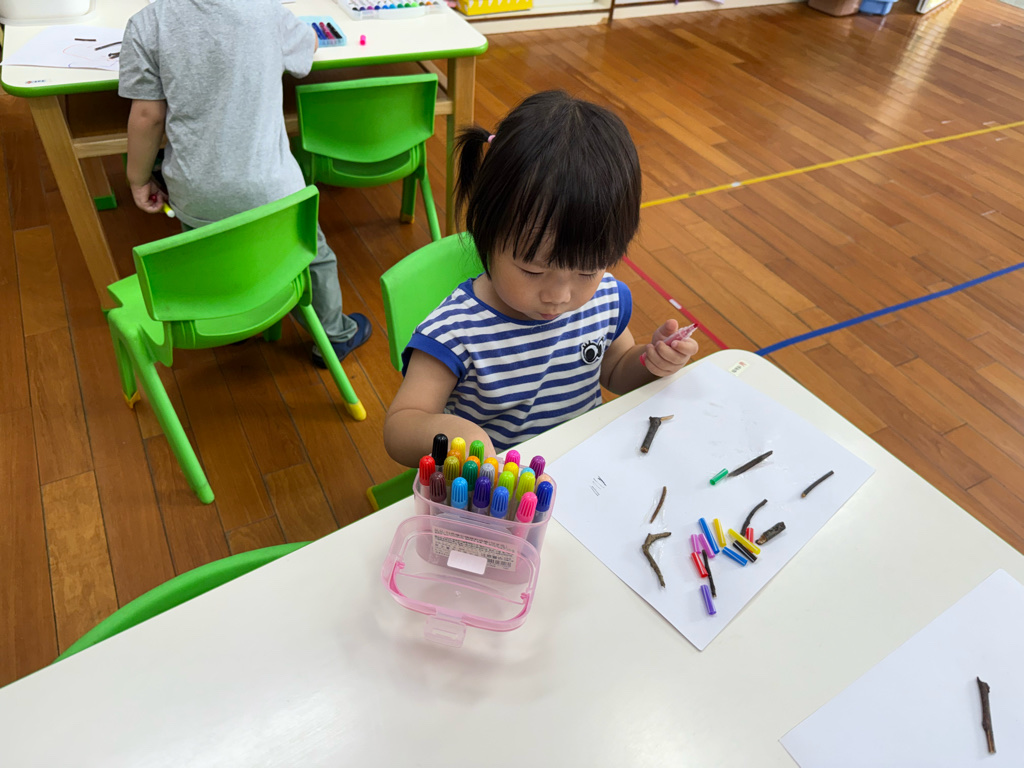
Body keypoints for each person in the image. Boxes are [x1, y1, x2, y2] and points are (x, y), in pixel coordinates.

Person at [383, 91, 698, 466]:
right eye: (533, 270)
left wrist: (651, 363)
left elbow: (615, 371)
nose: (559, 296)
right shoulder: (456, 331)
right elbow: (401, 426)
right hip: (500, 488)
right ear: (487, 233)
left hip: (581, 468)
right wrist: (454, 436)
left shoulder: (603, 301)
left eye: (587, 270)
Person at [118, 0, 371, 367]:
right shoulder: (266, 10)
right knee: (312, 259)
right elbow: (308, 47)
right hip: (274, 191)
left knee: (216, 256)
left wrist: (138, 179)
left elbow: (147, 116)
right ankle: (334, 334)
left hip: (197, 192)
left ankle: (232, 320)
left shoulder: (146, 24)